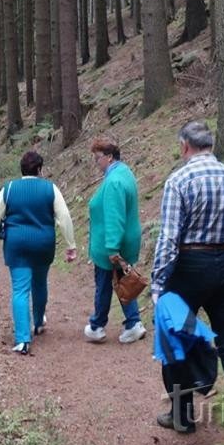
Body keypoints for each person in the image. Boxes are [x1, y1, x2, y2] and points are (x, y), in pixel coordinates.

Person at [150, 120, 224, 445]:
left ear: (185, 146)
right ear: (210, 145)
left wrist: (158, 284)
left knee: (177, 339)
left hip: (188, 267)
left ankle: (182, 416)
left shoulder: (178, 180)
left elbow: (169, 239)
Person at [0, 150, 77, 355]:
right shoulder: (50, 188)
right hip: (43, 244)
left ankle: (22, 340)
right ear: (39, 169)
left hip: (16, 245)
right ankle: (38, 322)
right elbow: (63, 216)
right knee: (39, 283)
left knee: (20, 290)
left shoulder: (8, 189)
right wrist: (71, 244)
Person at [84, 137, 146, 345]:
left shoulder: (114, 182)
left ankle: (97, 326)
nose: (96, 162)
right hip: (124, 240)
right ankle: (133, 323)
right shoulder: (124, 172)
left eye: (98, 158)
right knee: (122, 280)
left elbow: (114, 216)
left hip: (111, 244)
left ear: (109, 158)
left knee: (104, 284)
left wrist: (112, 248)